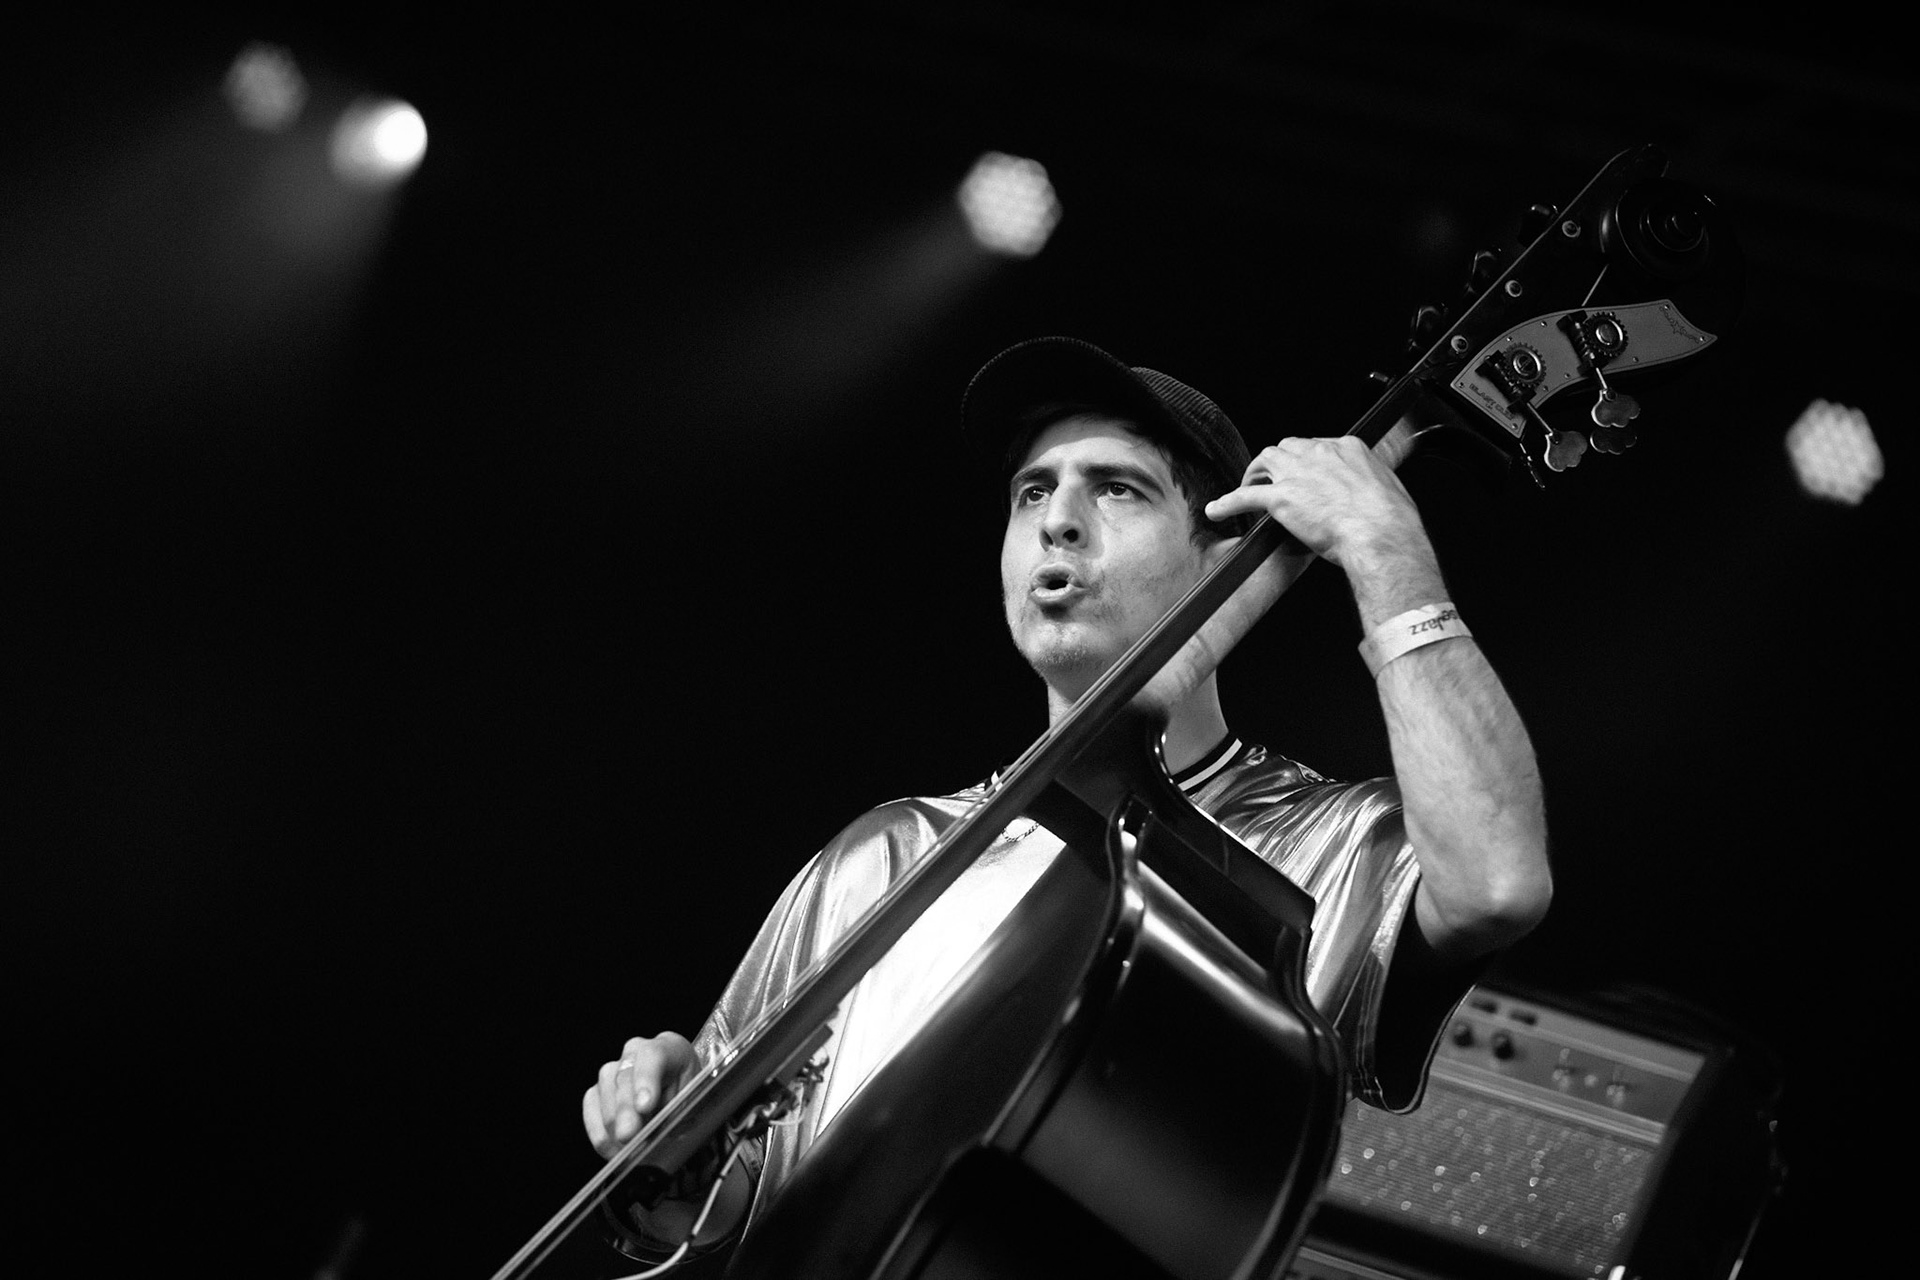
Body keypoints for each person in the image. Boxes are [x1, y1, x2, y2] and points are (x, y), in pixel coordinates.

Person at [580, 335, 1552, 1265]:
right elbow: (738, 1207)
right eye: (1033, 491)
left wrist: (1385, 548)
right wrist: (668, 1149)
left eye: (1117, 487)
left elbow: (1496, 883)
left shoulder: (1330, 843)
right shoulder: (890, 854)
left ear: (1226, 554)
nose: (1057, 519)